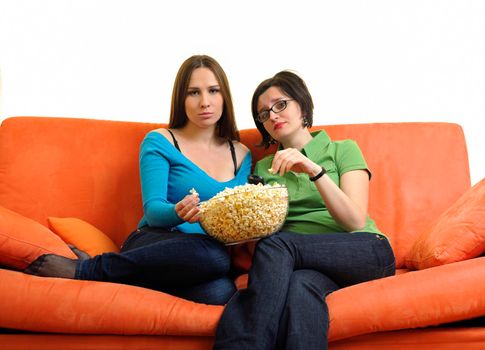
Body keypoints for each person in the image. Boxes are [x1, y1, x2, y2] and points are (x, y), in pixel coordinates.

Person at [23, 55, 252, 305]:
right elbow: (153, 211)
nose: (204, 102)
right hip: (157, 240)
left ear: (225, 96)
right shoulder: (160, 141)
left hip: (199, 262)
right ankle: (87, 270)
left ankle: (123, 277)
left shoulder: (241, 153)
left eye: (213, 91)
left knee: (221, 293)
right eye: (193, 93)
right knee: (214, 257)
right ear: (181, 99)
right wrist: (178, 211)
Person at [214, 71, 395, 349]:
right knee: (300, 288)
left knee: (280, 245)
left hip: (365, 251)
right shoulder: (264, 168)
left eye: (281, 104)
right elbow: (261, 238)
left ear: (302, 104)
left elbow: (355, 220)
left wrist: (313, 169)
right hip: (304, 267)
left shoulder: (342, 150)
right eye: (263, 113)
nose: (273, 115)